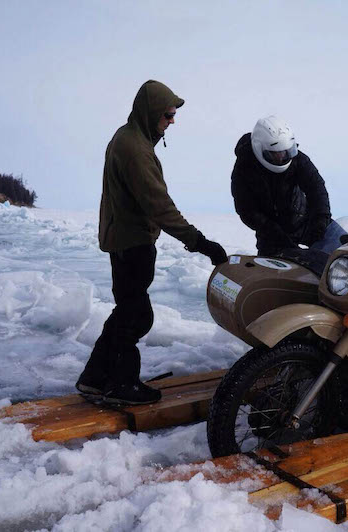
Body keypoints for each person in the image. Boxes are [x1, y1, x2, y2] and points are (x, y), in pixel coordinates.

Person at [76, 80, 228, 405]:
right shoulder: (135, 150)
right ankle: (122, 384)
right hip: (131, 242)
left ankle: (96, 378)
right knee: (135, 315)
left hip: (124, 237)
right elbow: (159, 205)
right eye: (168, 114)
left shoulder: (131, 137)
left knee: (127, 310)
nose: (172, 121)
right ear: (152, 113)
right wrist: (200, 242)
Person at [231, 115, 339, 256]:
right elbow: (246, 210)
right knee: (276, 274)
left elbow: (316, 188)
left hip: (304, 220)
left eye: (287, 151)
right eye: (276, 154)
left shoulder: (298, 159)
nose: (283, 157)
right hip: (271, 233)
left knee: (347, 252)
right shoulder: (244, 168)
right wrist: (273, 232)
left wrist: (320, 218)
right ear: (259, 148)